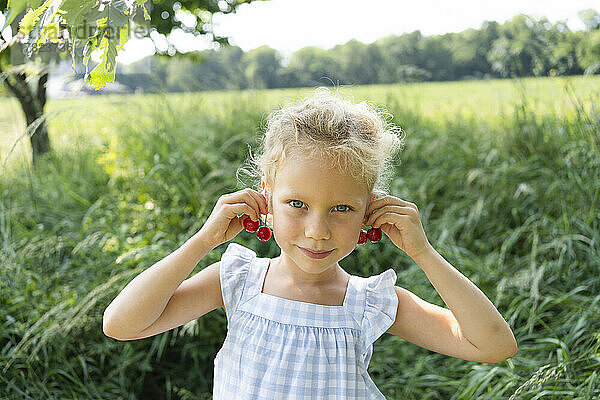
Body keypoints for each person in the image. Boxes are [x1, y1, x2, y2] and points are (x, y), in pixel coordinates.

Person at [102, 87, 518, 399]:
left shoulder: (369, 302)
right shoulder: (237, 281)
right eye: (297, 204)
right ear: (266, 196)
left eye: (341, 209)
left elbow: (494, 345)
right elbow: (121, 324)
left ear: (370, 210)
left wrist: (424, 253)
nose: (317, 231)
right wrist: (203, 240)